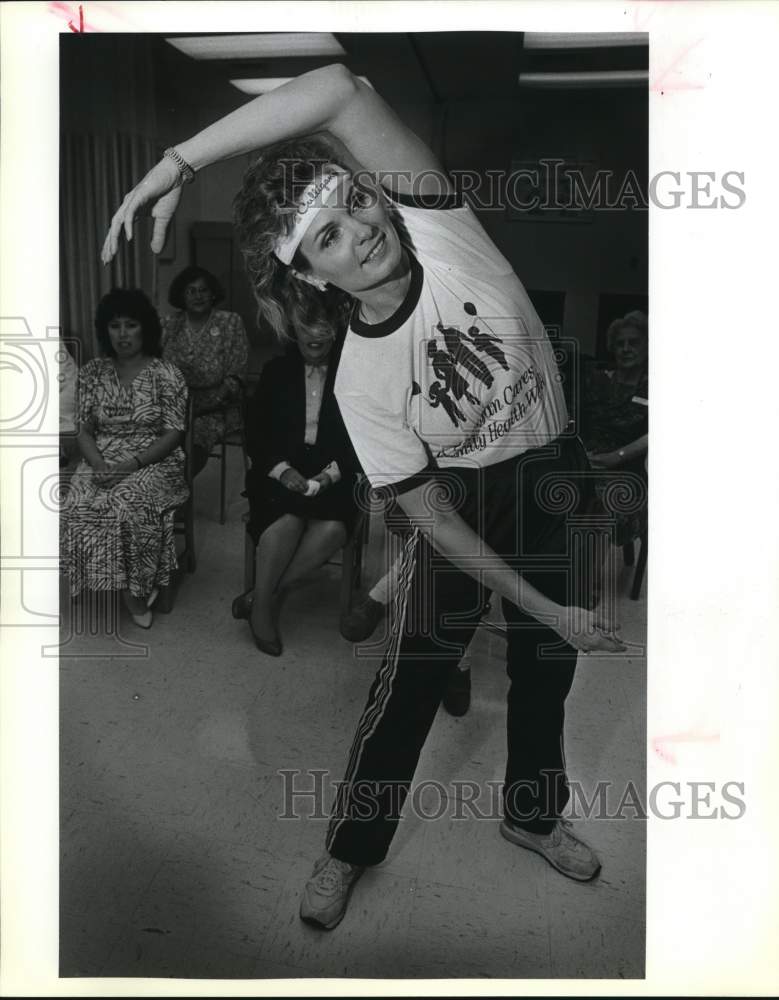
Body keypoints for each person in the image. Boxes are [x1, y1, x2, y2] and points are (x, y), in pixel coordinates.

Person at [102, 64, 625, 929]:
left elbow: (341, 88)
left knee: (546, 669)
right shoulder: (361, 383)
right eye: (325, 239)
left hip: (558, 472)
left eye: (353, 204)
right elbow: (432, 520)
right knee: (412, 679)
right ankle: (350, 848)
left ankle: (532, 814)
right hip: (464, 501)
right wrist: (539, 601)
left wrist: (179, 162)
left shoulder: (443, 228)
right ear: (307, 275)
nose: (357, 233)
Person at [231, 317, 360, 657]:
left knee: (333, 527)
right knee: (287, 520)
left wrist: (328, 476)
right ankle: (262, 612)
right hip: (277, 471)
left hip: (333, 474)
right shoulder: (276, 370)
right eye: (306, 327)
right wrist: (281, 470)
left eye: (323, 328)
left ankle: (260, 595)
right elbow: (257, 434)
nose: (314, 335)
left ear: (335, 332)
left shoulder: (353, 373)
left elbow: (359, 441)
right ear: (294, 332)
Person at [62, 288, 189, 629]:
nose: (122, 334)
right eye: (114, 326)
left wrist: (129, 466)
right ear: (105, 330)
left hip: (154, 459)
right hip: (102, 455)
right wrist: (101, 466)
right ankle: (111, 577)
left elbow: (174, 432)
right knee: (76, 502)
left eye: (130, 325)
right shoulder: (92, 372)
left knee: (125, 501)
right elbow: (84, 430)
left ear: (145, 328)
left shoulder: (167, 373)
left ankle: (135, 591)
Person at [161, 265, 249, 476]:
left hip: (215, 409)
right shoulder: (169, 324)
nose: (198, 296)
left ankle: (179, 493)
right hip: (173, 406)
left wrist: (206, 403)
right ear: (182, 296)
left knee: (192, 441)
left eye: (203, 290)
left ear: (212, 294)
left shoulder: (230, 322)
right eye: (191, 291)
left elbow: (237, 374)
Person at [581, 310, 648, 546]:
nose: (626, 348)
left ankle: (597, 575)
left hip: (626, 471)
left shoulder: (654, 385)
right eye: (620, 344)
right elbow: (578, 419)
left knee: (601, 511)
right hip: (587, 463)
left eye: (634, 343)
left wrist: (616, 457)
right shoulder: (598, 379)